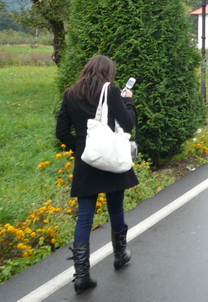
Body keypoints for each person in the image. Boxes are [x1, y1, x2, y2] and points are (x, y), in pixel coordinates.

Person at [56, 55, 139, 294]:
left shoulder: (70, 94)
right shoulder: (110, 90)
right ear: (108, 72)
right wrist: (128, 101)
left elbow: (61, 131)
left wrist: (81, 148)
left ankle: (81, 276)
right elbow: (128, 123)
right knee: (115, 209)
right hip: (110, 160)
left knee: (85, 217)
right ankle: (120, 255)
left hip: (86, 162)